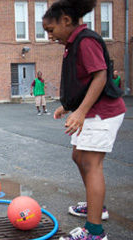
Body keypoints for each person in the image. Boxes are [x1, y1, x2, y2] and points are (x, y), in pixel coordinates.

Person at [43, 0, 126, 239]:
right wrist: (68, 107)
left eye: (51, 30)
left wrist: (80, 112)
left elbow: (100, 76)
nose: (49, 36)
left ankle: (95, 231)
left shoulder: (85, 40)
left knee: (91, 164)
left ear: (66, 21)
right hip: (90, 111)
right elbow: (82, 82)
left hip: (102, 112)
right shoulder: (73, 42)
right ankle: (96, 206)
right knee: (78, 156)